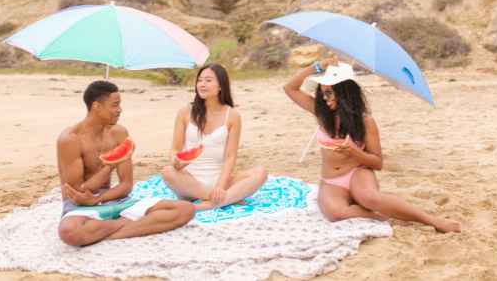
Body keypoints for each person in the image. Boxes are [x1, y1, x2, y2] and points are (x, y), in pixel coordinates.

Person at [283, 59, 461, 233]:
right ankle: (381, 216)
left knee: (370, 198)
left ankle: (432, 220)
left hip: (357, 173)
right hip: (331, 181)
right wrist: (316, 67)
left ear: (344, 93)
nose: (324, 98)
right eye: (322, 93)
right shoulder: (321, 113)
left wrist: (354, 152)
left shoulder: (365, 122)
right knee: (335, 214)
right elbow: (289, 88)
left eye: (329, 92)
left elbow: (377, 163)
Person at [57, 80, 194, 246]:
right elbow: (78, 192)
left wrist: (99, 198)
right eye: (115, 105)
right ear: (96, 106)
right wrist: (110, 165)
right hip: (82, 208)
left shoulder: (119, 133)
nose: (119, 110)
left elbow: (126, 185)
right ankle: (131, 226)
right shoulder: (70, 140)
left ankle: (109, 231)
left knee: (186, 209)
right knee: (69, 232)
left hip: (117, 202)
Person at [161, 63, 268, 210]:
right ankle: (228, 198)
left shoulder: (232, 116)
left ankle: (205, 205)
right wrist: (176, 161)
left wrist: (220, 186)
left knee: (260, 172)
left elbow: (230, 157)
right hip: (189, 182)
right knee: (167, 172)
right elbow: (175, 149)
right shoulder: (185, 112)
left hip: (221, 180)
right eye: (200, 80)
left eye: (208, 80)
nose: (202, 84)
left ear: (220, 86)